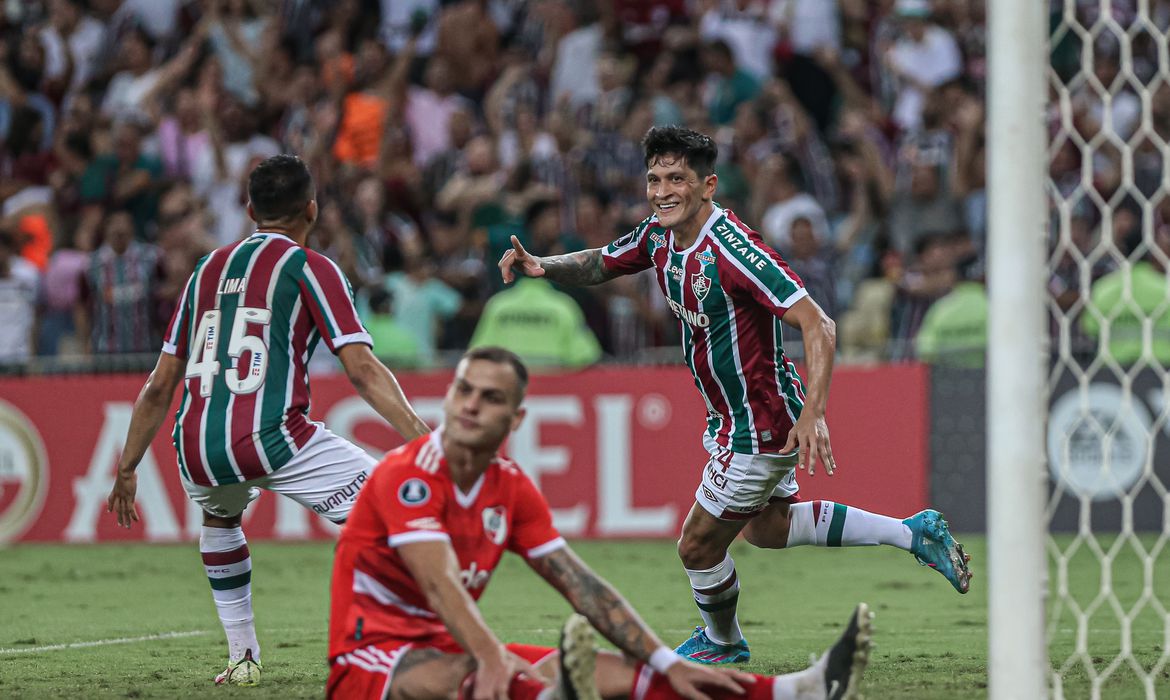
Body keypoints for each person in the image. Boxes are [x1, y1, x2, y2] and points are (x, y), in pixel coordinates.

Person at [498, 126, 972, 665]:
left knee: (697, 545)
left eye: (677, 179)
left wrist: (814, 414)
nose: (662, 191)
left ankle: (723, 642)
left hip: (762, 422)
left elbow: (819, 325)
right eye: (655, 179)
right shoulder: (658, 235)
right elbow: (603, 262)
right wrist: (543, 265)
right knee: (768, 530)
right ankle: (913, 533)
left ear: (708, 186)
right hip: (738, 415)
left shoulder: (734, 251)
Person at [328, 346, 873, 700]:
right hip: (368, 664)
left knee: (629, 674)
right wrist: (494, 658)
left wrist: (662, 660)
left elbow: (579, 583)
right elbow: (438, 581)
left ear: (515, 419)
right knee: (475, 681)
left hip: (453, 645)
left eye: (490, 398)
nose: (470, 406)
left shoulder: (509, 486)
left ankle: (792, 692)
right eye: (463, 391)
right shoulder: (406, 474)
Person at [106, 154, 431, 685]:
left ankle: (242, 659)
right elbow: (363, 371)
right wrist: (424, 440)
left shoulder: (205, 270)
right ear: (312, 208)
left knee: (221, 519)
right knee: (390, 510)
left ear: (250, 208)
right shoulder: (312, 267)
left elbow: (160, 384)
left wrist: (126, 466)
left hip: (198, 449)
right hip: (274, 437)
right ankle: (390, 643)